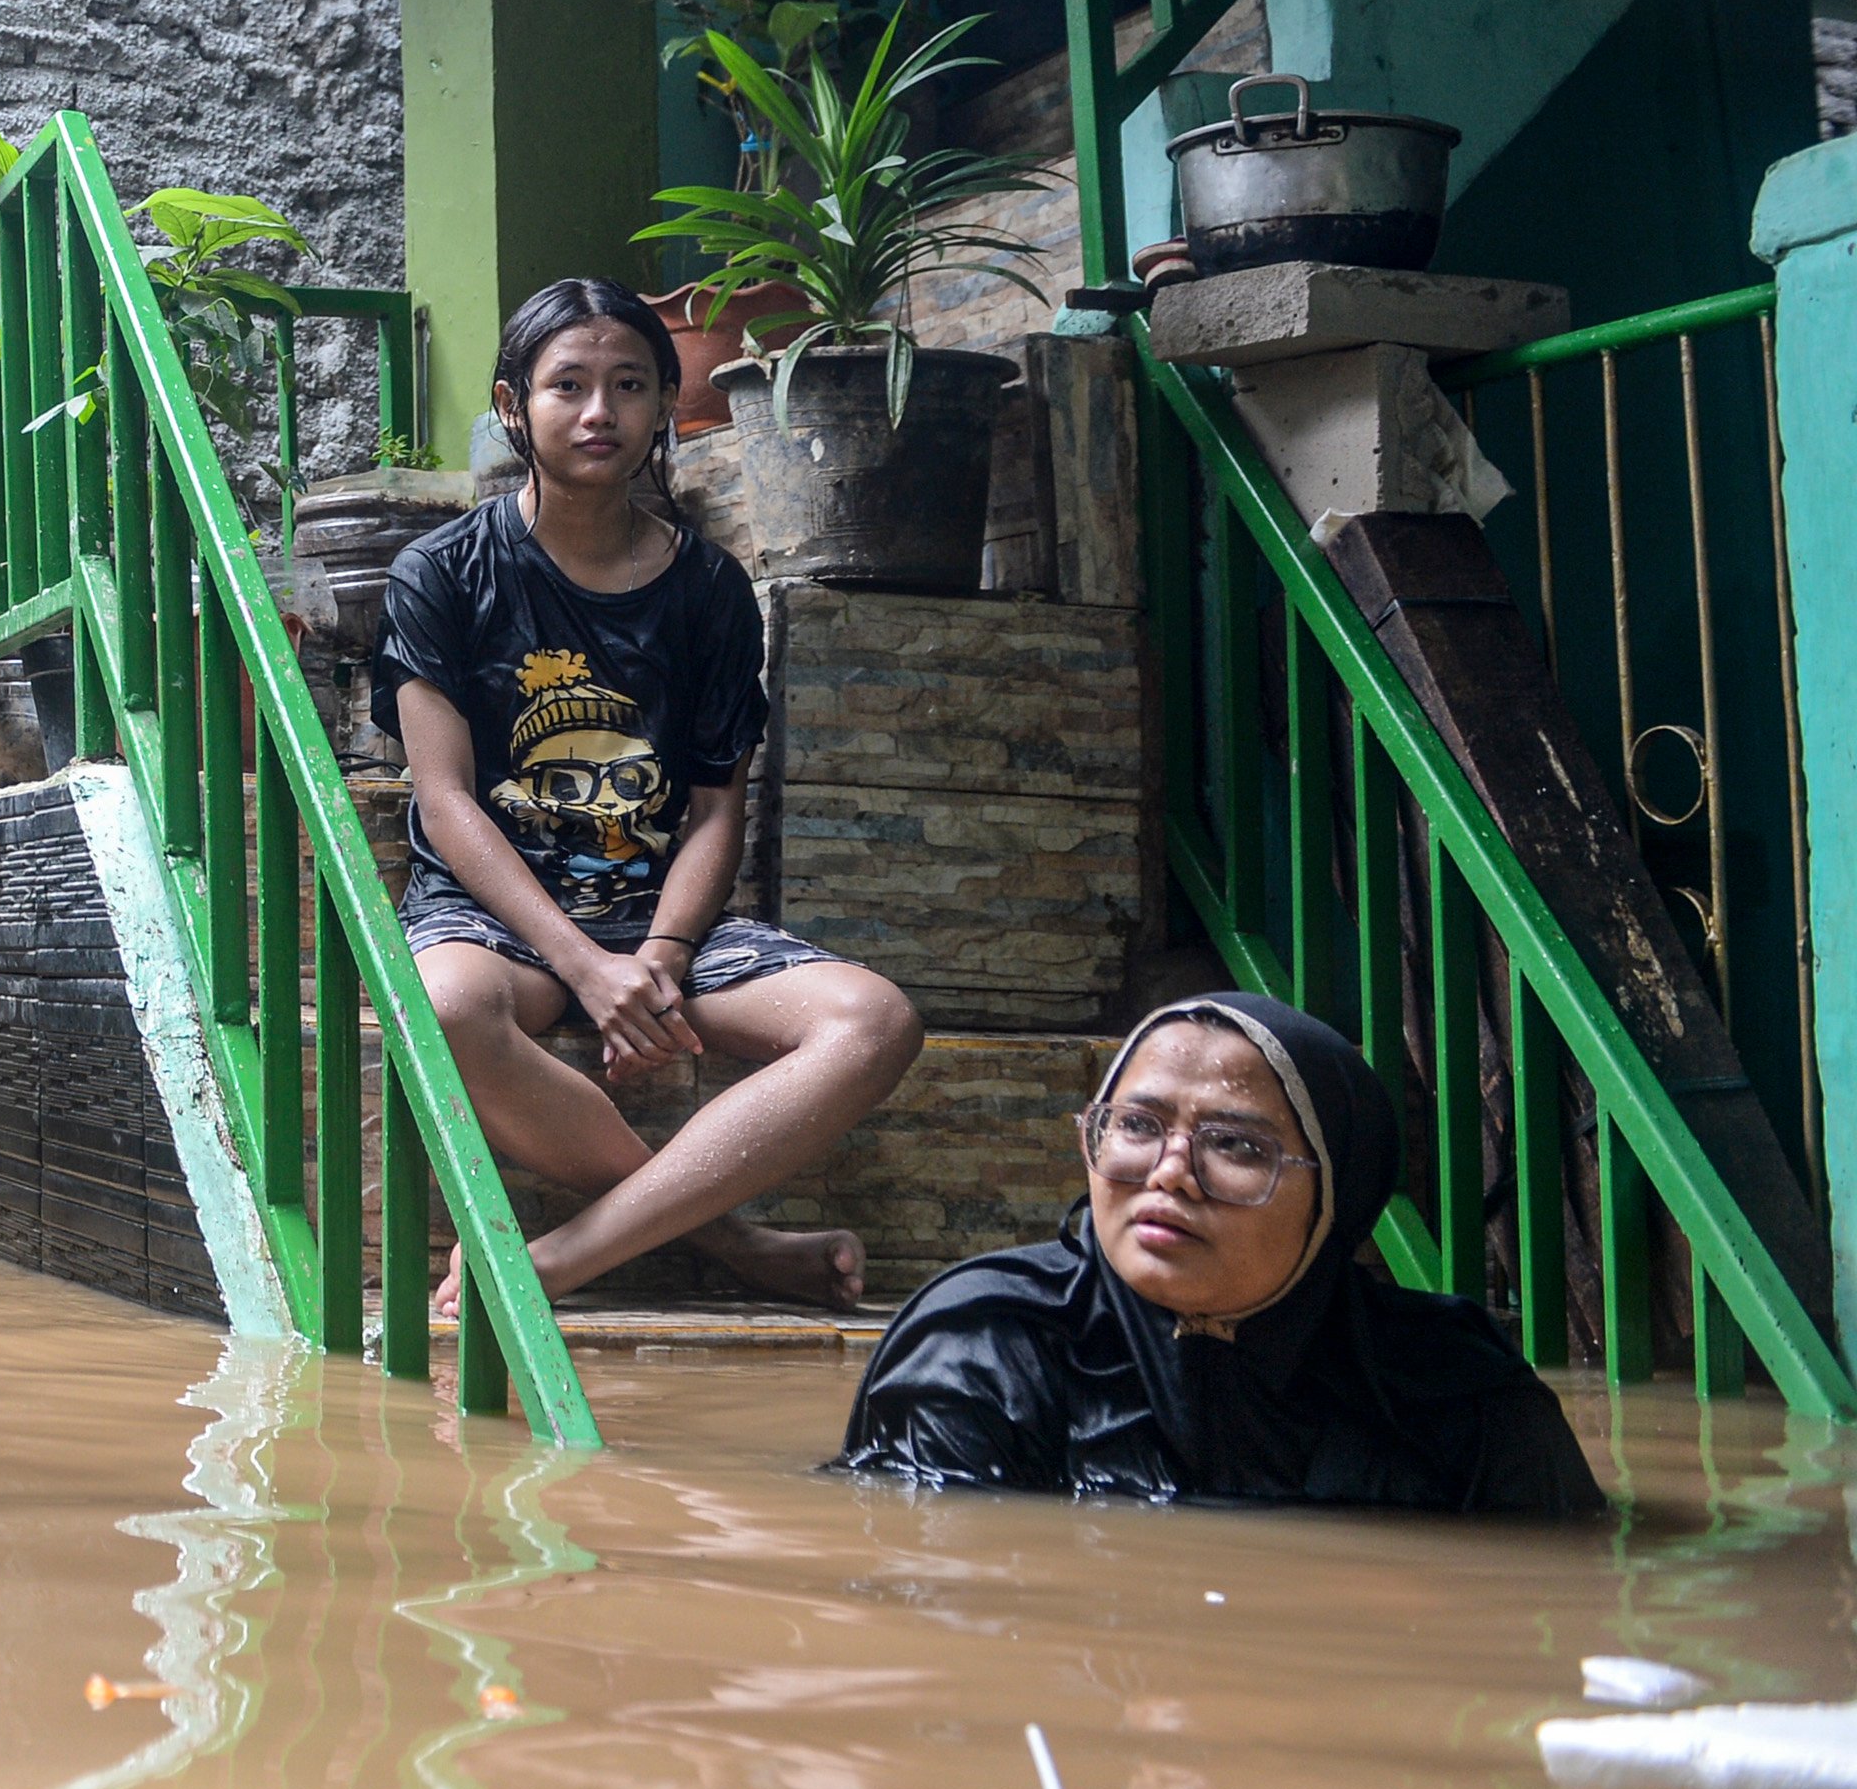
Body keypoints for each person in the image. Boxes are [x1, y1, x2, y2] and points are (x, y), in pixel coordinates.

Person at [375, 278, 923, 1317]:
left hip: (659, 917)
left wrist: (658, 958)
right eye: (566, 385)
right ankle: (739, 1248)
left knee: (872, 1020)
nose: (598, 412)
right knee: (439, 1010)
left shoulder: (709, 588)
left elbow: (718, 809)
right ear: (509, 405)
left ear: (666, 404)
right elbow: (445, 801)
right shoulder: (440, 572)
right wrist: (587, 969)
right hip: (491, 914)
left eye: (628, 385)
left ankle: (559, 1259)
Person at [833, 992, 1604, 1513]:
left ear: (1340, 1194)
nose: (1170, 1172)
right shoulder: (982, 1348)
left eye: (1234, 1144)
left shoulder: (1458, 1395)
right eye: (1136, 1125)